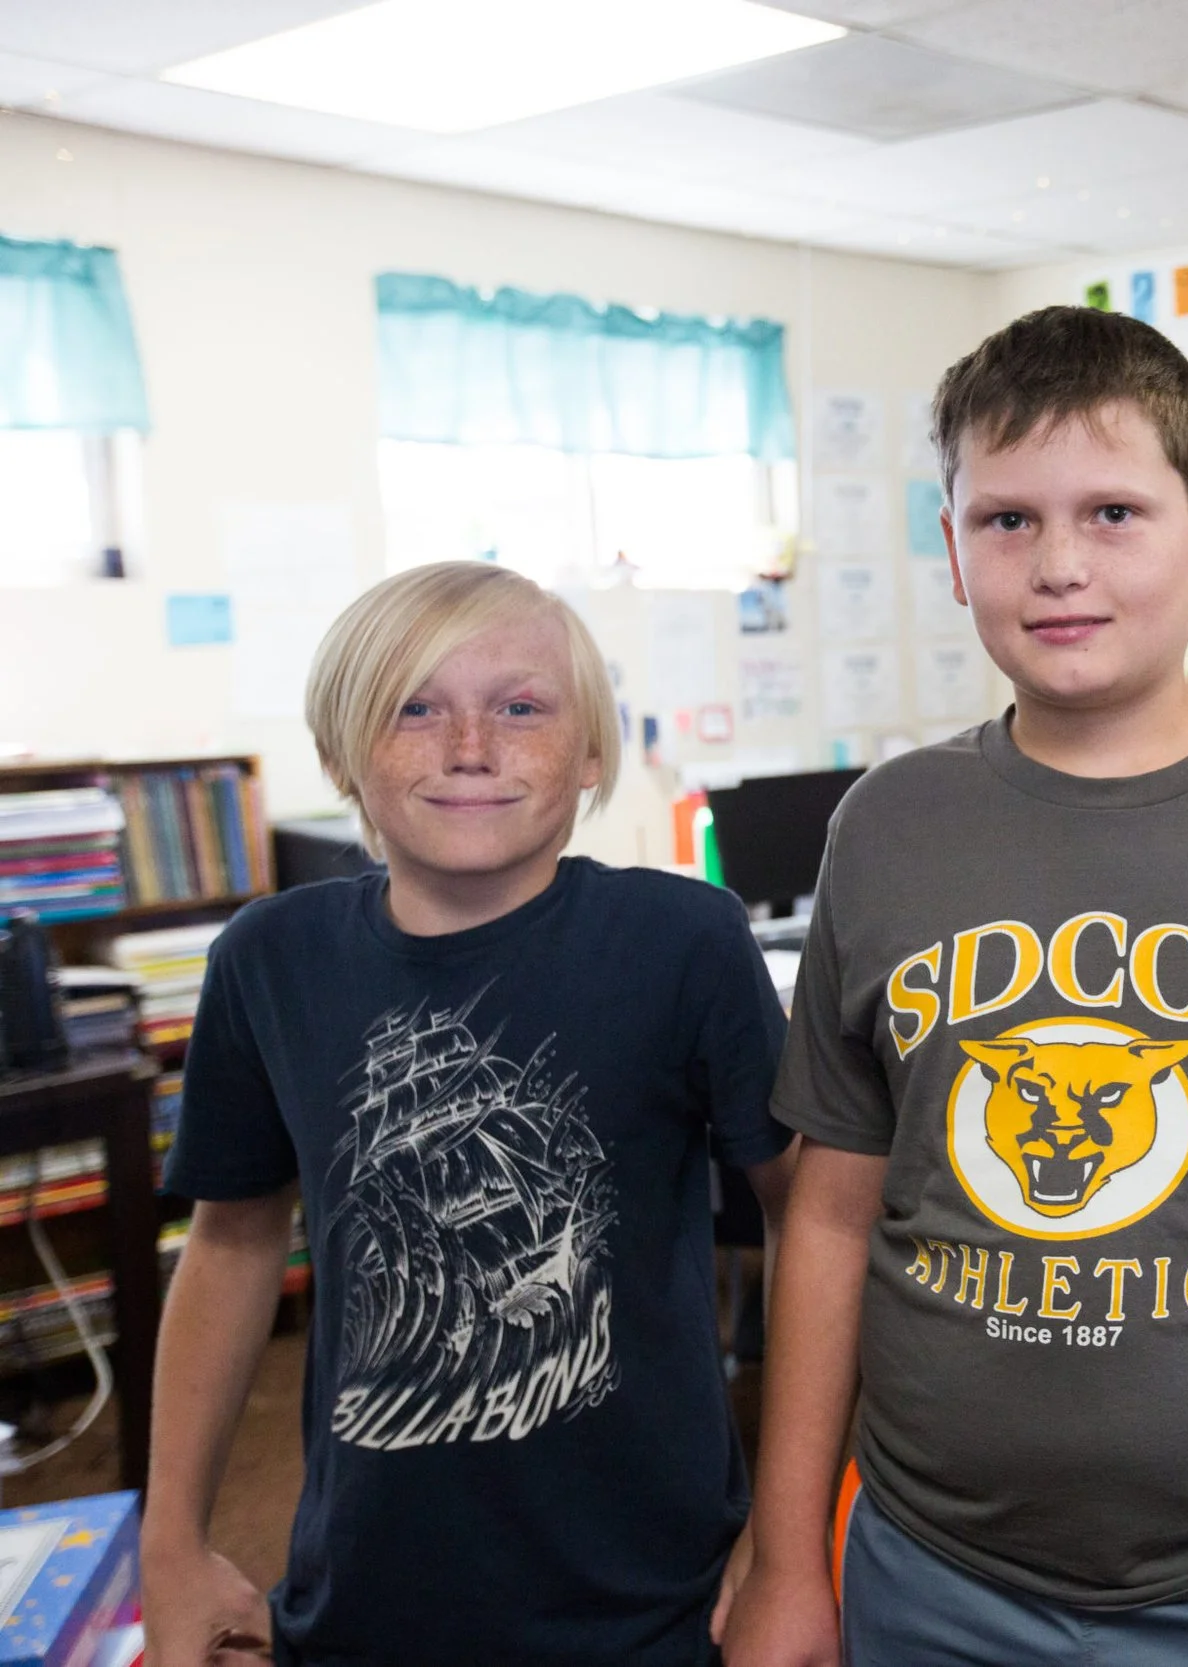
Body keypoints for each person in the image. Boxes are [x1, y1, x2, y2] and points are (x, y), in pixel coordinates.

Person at [722, 305, 1188, 1667]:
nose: (1060, 564)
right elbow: (829, 1211)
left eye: (1114, 512)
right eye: (1007, 519)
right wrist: (785, 1554)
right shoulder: (886, 825)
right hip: (933, 1564)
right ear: (952, 547)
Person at [143, 562, 795, 1667]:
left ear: (591, 753)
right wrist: (171, 1544)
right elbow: (231, 1244)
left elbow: (807, 1219)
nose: (470, 746)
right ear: (341, 752)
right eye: (414, 707)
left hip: (658, 1600)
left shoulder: (685, 939)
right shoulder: (270, 959)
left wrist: (785, 1536)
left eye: (521, 707)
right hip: (361, 1599)